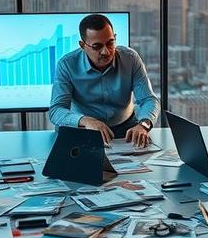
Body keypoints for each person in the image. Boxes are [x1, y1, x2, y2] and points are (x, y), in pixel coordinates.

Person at [48, 13, 159, 147]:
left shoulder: (130, 59)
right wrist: (87, 121)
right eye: (97, 46)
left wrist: (144, 124)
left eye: (110, 43)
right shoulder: (67, 65)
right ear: (83, 46)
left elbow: (149, 99)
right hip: (84, 129)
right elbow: (56, 110)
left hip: (126, 129)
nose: (106, 52)